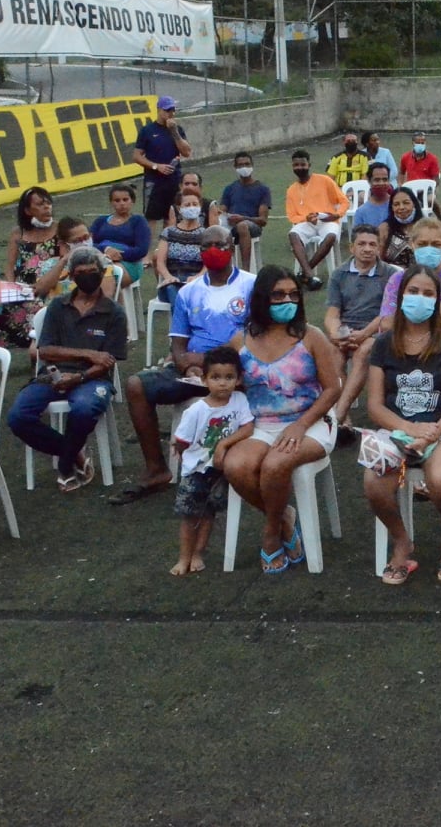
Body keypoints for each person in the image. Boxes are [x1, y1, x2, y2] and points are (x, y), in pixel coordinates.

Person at [115, 225, 253, 504]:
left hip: (236, 373)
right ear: (200, 252)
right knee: (136, 385)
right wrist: (187, 367)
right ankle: (156, 469)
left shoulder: (251, 285)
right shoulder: (188, 292)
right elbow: (178, 346)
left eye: (221, 244)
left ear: (232, 249)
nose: (214, 250)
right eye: (207, 246)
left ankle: (232, 464)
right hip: (195, 373)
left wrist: (203, 361)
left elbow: (254, 338)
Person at [217, 268, 340, 573]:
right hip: (259, 424)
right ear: (262, 298)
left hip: (310, 421)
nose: (287, 300)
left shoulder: (311, 337)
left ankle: (271, 534)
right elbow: (227, 380)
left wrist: (300, 425)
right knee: (235, 465)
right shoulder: (241, 340)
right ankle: (284, 518)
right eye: (278, 294)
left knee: (275, 464)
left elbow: (333, 389)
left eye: (293, 294)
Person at [361, 264, 441, 584]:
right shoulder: (384, 344)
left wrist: (431, 434)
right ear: (400, 297)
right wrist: (410, 430)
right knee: (374, 480)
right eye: (413, 292)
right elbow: (374, 405)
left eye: (428, 293)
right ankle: (401, 540)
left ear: (438, 301)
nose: (420, 299)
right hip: (398, 428)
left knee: (440, 477)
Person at [4, 246, 128, 492]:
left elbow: (108, 362)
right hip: (52, 374)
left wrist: (80, 376)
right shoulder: (58, 307)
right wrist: (88, 353)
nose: (87, 276)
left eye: (92, 272)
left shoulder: (114, 313)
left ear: (102, 273)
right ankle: (73, 455)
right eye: (81, 272)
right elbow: (45, 351)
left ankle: (64, 464)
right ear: (72, 276)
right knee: (18, 417)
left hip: (93, 379)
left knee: (83, 409)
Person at [168, 347, 254, 576]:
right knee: (189, 516)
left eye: (229, 377)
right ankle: (184, 557)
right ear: (204, 379)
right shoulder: (196, 410)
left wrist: (224, 445)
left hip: (220, 470)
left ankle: (198, 553)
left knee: (208, 514)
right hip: (195, 471)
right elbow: (182, 440)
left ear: (238, 379)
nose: (223, 383)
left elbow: (248, 426)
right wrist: (180, 450)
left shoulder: (239, 400)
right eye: (216, 377)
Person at [323, 224, 402, 426]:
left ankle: (338, 414)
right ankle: (343, 415)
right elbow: (332, 313)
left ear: (378, 247)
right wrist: (336, 333)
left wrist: (365, 333)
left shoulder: (390, 275)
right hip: (346, 330)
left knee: (363, 352)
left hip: (378, 331)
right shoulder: (339, 275)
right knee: (333, 354)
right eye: (362, 244)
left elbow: (387, 313)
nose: (367, 248)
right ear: (352, 247)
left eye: (372, 244)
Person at [0, 186, 60, 348]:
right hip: (23, 287)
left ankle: (37, 344)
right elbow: (10, 266)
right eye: (40, 205)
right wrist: (11, 286)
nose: (46, 207)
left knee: (34, 307)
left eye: (48, 203)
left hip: (49, 286)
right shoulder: (18, 233)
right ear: (28, 211)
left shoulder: (59, 229)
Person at [284, 149, 350, 289]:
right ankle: (309, 274)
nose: (299, 168)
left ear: (309, 165)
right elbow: (292, 216)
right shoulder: (291, 189)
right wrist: (306, 218)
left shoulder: (324, 180)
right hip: (306, 223)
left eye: (303, 164)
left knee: (331, 236)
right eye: (296, 165)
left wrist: (336, 215)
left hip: (328, 220)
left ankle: (304, 273)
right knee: (293, 234)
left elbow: (344, 201)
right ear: (292, 167)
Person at [133, 95, 191, 225]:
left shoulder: (177, 129)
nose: (171, 113)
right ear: (159, 110)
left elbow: (186, 152)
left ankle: (167, 244)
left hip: (174, 180)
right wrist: (156, 166)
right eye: (167, 110)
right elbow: (137, 156)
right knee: (151, 217)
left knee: (171, 216)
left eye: (173, 110)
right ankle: (151, 245)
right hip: (154, 181)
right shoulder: (147, 131)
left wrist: (174, 132)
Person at [152, 179, 209, 304]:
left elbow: (208, 265)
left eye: (195, 204)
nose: (191, 208)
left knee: (190, 294)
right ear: (179, 208)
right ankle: (185, 321)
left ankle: (180, 323)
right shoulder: (168, 232)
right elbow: (160, 262)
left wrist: (197, 277)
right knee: (174, 290)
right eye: (187, 205)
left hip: (196, 282)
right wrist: (168, 277)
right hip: (171, 282)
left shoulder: (206, 234)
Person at [215, 151, 271, 270]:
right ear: (235, 168)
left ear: (252, 165)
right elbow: (222, 211)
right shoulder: (230, 189)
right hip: (231, 226)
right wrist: (220, 214)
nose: (244, 167)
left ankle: (245, 270)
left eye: (247, 164)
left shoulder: (262, 189)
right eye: (240, 165)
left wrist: (243, 218)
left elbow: (263, 220)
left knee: (242, 226)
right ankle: (223, 268)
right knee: (215, 226)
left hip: (253, 226)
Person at [93, 185, 152, 285]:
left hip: (129, 264)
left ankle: (106, 300)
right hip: (101, 259)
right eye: (117, 200)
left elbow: (141, 250)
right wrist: (106, 250)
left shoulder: (138, 221)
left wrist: (118, 255)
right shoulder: (100, 221)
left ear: (132, 201)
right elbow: (89, 244)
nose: (122, 204)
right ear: (111, 203)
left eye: (125, 199)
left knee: (107, 273)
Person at [378, 186, 423, 269]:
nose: (401, 207)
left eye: (406, 203)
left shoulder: (425, 227)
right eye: (396, 204)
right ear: (392, 208)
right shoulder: (385, 228)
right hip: (393, 277)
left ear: (414, 204)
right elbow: (378, 259)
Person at [349, 161, 395, 231]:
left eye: (385, 179)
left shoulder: (397, 205)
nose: (381, 183)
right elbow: (358, 237)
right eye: (377, 180)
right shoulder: (361, 212)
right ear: (369, 181)